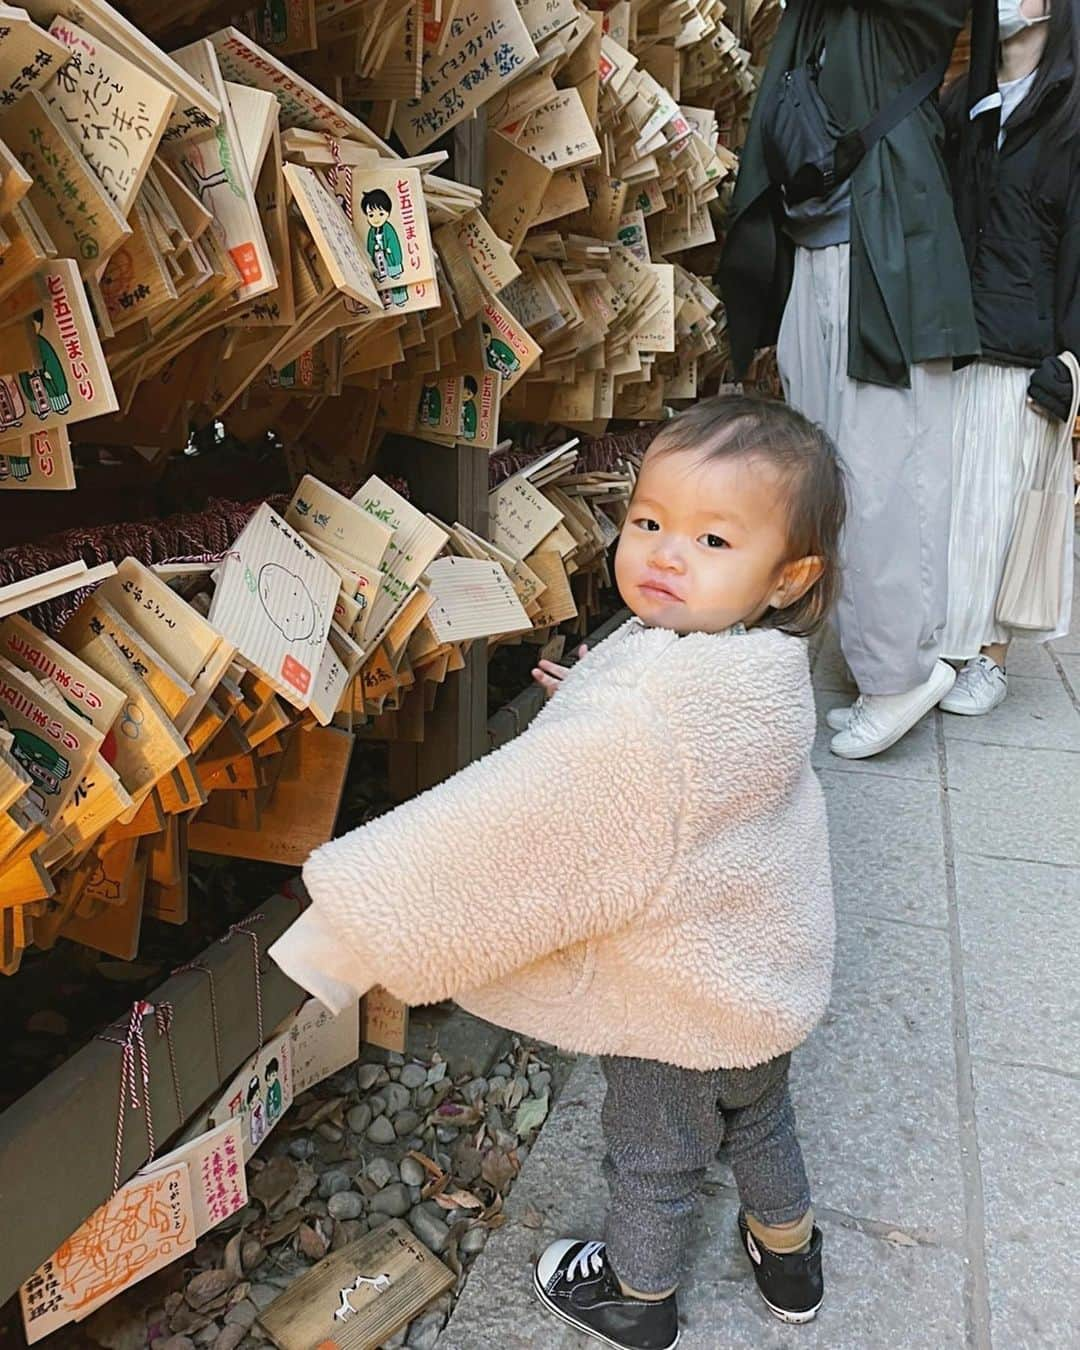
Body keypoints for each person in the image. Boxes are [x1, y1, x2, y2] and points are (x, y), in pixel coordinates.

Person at [269, 396, 846, 1346]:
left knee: (656, 1153)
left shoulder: (646, 721)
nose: (664, 553)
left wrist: (353, 925)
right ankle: (790, 1255)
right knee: (759, 1117)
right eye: (649, 522)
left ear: (789, 576)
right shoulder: (759, 667)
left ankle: (638, 1298)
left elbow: (511, 828)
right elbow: (678, 770)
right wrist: (595, 693)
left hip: (678, 1003)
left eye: (711, 539)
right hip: (760, 977)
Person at [720, 0, 990, 759]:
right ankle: (895, 663)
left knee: (882, 474)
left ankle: (896, 675)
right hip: (825, 245)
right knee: (838, 470)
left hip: (879, 256)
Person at [934, 0, 1079, 713]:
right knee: (949, 501)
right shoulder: (963, 98)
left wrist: (1072, 355)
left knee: (1002, 507)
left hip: (1027, 342)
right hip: (953, 336)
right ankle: (939, 647)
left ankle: (989, 658)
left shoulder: (1072, 107)